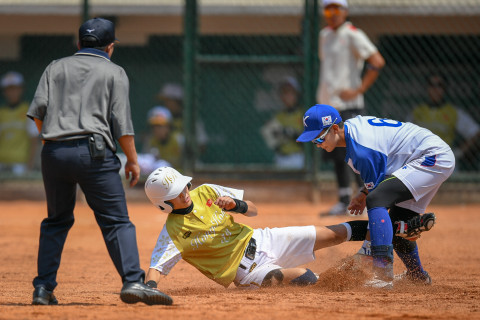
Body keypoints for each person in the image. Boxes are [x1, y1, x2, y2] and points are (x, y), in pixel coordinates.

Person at [26, 17, 172, 306]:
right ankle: (132, 281)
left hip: (54, 152)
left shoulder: (55, 67)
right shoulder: (114, 71)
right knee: (117, 222)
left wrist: (54, 144)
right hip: (94, 153)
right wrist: (132, 161)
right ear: (111, 47)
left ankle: (43, 289)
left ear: (78, 43)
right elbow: (122, 125)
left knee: (56, 221)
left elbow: (38, 113)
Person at [143, 166, 434, 289]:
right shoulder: (173, 231)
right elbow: (157, 265)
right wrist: (149, 288)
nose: (184, 192)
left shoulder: (205, 191)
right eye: (176, 193)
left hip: (263, 239)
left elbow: (254, 209)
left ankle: (397, 229)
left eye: (183, 186)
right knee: (309, 279)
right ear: (165, 204)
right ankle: (387, 282)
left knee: (337, 232)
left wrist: (236, 206)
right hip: (248, 272)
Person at [296, 104, 455, 288]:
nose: (318, 144)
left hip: (431, 156)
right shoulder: (353, 134)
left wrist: (367, 248)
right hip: (421, 158)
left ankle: (382, 273)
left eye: (319, 138)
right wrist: (364, 193)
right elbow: (378, 181)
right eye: (313, 141)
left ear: (334, 129)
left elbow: (379, 197)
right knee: (393, 223)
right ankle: (418, 275)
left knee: (378, 202)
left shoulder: (362, 149)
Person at [317, 0, 385, 216]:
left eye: (337, 8)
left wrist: (358, 90)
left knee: (355, 151)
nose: (333, 13)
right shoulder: (324, 35)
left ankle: (367, 199)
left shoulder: (353, 34)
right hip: (329, 105)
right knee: (334, 152)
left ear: (345, 11)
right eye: (328, 9)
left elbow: (377, 61)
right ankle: (343, 199)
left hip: (349, 105)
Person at [409, 74, 480, 170]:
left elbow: (475, 132)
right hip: (420, 160)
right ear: (427, 88)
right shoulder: (417, 111)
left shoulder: (453, 112)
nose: (435, 89)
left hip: (444, 161)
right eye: (432, 85)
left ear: (445, 89)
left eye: (439, 85)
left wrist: (459, 152)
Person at [157, 83, 208, 162]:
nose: (165, 104)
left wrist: (188, 149)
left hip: (186, 164)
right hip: (164, 162)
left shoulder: (191, 120)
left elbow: (202, 145)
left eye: (168, 101)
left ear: (178, 101)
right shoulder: (160, 119)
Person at [261, 77, 305, 169]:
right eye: (284, 93)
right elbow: (271, 140)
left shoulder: (304, 114)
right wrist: (279, 135)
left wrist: (293, 134)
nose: (287, 97)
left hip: (298, 158)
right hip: (281, 158)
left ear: (297, 94)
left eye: (290, 93)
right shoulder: (278, 117)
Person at [0, 71, 39, 176]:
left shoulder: (28, 110)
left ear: (21, 89)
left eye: (15, 88)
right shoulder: (1, 113)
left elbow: (34, 141)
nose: (12, 92)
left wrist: (29, 166)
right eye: (8, 89)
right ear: (4, 92)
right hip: (2, 163)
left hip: (20, 165)